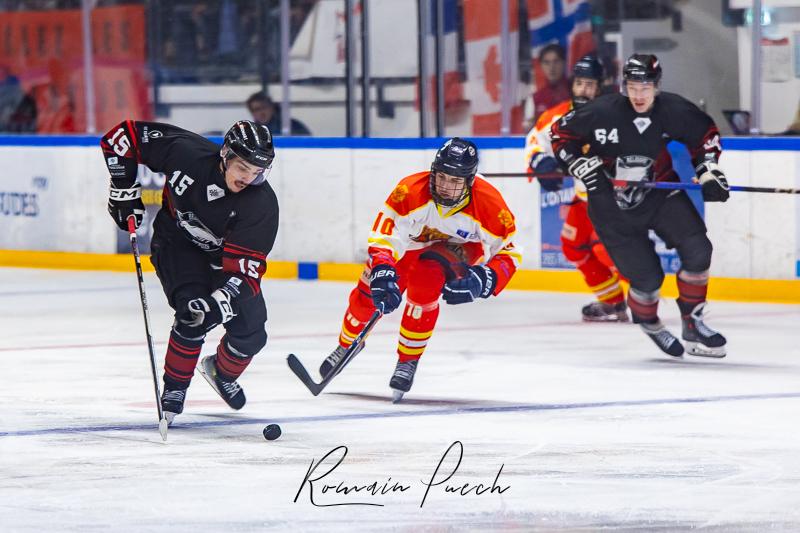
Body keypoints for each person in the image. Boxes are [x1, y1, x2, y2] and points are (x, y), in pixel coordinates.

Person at [551, 54, 730, 358]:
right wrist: (579, 164)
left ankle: (693, 320)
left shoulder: (673, 109)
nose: (638, 95)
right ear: (624, 86)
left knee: (699, 249)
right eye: (632, 87)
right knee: (648, 279)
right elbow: (559, 133)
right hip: (610, 204)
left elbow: (705, 136)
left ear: (656, 86)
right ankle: (649, 322)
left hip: (659, 192)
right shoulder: (603, 111)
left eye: (645, 88)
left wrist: (708, 169)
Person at [101, 119, 279, 423]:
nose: (248, 178)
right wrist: (122, 187)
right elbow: (121, 136)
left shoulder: (261, 205)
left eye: (257, 172)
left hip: (224, 262)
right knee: (192, 313)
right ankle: (174, 390)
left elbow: (245, 273)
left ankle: (220, 372)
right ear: (225, 154)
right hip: (176, 245)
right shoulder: (185, 152)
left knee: (251, 335)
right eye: (242, 168)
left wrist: (219, 303)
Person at [319, 138, 522, 402]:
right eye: (442, 176)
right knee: (370, 292)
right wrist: (382, 268)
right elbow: (385, 235)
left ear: (470, 181)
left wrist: (485, 280)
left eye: (455, 180)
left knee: (426, 282)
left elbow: (510, 251)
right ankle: (346, 345)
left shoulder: (489, 204)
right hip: (411, 244)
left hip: (459, 247)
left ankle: (408, 359)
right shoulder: (410, 190)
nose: (445, 186)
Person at [525, 55, 628, 322]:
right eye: (579, 83)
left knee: (609, 250)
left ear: (600, 86)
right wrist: (541, 162)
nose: (583, 90)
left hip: (614, 199)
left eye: (589, 84)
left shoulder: (615, 114)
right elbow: (535, 140)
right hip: (583, 198)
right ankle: (612, 301)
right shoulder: (558, 115)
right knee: (574, 246)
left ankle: (644, 297)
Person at [532, 43, 570, 122]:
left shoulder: (575, 92)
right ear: (541, 66)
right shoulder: (537, 98)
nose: (551, 67)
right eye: (547, 63)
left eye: (556, 61)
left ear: (564, 63)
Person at [247, 91, 311, 136]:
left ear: (271, 108)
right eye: (256, 110)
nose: (261, 112)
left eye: (264, 107)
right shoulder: (251, 132)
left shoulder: (291, 126)